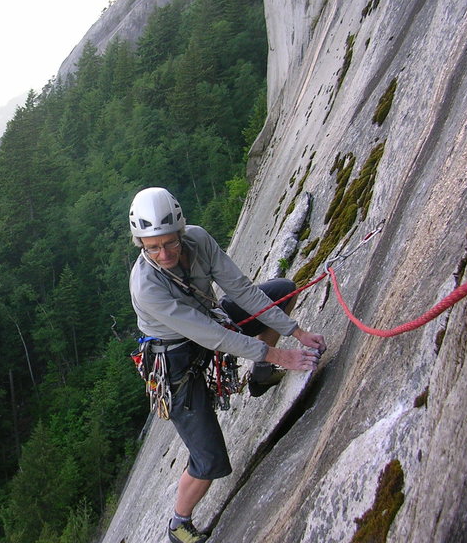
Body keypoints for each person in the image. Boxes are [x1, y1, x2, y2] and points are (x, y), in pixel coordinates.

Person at [127, 187, 326, 543]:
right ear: (140, 244)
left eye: (169, 243)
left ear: (181, 231)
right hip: (174, 362)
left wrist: (297, 331)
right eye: (152, 247)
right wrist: (282, 355)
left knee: (282, 291)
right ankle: (178, 524)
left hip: (210, 324)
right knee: (210, 459)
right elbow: (210, 336)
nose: (163, 253)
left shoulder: (198, 240)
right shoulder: (147, 286)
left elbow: (241, 290)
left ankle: (261, 377)